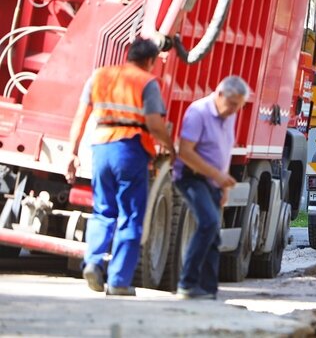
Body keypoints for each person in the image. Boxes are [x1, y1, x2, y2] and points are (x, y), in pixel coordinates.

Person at [65, 38, 176, 296]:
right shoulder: (147, 82)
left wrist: (72, 152)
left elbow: (81, 117)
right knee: (131, 216)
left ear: (128, 55)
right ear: (150, 61)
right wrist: (170, 147)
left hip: (100, 147)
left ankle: (92, 261)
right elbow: (155, 124)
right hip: (130, 150)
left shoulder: (99, 76)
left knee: (103, 210)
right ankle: (118, 281)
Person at [172, 76, 249, 300]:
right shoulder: (199, 112)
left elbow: (223, 151)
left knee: (214, 234)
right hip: (191, 177)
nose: (235, 110)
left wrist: (223, 185)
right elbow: (185, 152)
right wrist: (217, 176)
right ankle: (187, 284)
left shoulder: (228, 113)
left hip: (213, 181)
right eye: (233, 104)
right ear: (220, 94)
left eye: (239, 106)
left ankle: (207, 289)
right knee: (208, 223)